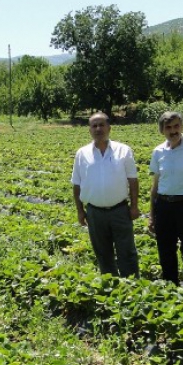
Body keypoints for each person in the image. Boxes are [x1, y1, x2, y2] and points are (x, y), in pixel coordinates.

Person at [72, 111, 140, 277]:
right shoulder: (82, 154)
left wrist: (134, 206)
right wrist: (80, 211)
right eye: (94, 125)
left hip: (120, 210)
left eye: (102, 124)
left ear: (109, 127)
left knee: (127, 252)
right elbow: (76, 184)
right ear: (89, 130)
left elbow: (133, 180)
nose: (98, 128)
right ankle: (111, 287)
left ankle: (132, 286)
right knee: (103, 253)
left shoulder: (123, 150)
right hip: (95, 213)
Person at [148, 111, 183, 290]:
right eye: (168, 127)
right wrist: (152, 214)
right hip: (164, 205)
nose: (173, 131)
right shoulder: (158, 151)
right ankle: (170, 286)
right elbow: (156, 185)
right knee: (165, 248)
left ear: (182, 126)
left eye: (176, 126)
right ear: (162, 131)